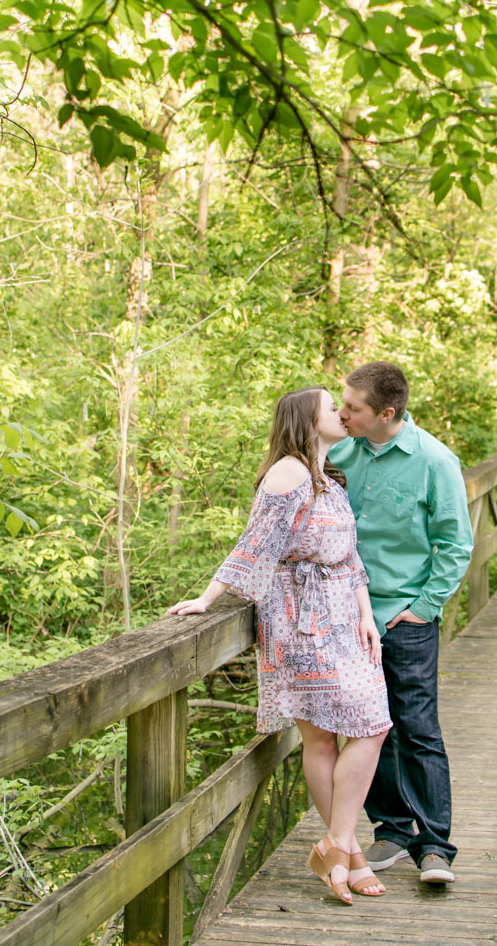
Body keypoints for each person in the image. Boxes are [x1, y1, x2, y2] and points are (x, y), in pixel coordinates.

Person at [168, 386, 392, 905]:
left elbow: (349, 555)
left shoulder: (329, 479)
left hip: (343, 617)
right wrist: (208, 598)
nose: (340, 410)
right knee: (322, 739)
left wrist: (367, 616)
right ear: (305, 419)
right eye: (331, 404)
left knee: (371, 725)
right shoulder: (288, 472)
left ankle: (337, 845)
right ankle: (348, 852)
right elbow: (255, 545)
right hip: (300, 621)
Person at [331, 362, 474, 885]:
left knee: (416, 727)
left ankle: (435, 846)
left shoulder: (434, 461)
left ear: (386, 413)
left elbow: (456, 544)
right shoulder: (338, 452)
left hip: (404, 616)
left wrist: (425, 606)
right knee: (368, 725)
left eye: (353, 408)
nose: (342, 413)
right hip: (346, 616)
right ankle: (390, 829)